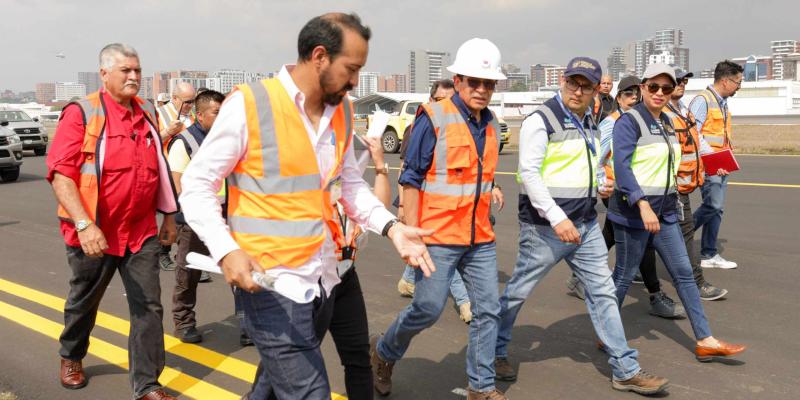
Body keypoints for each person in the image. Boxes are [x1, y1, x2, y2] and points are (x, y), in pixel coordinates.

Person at [179, 13, 434, 400]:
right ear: (319, 56)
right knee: (309, 391)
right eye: (351, 69)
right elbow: (196, 185)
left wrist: (391, 227)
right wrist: (226, 249)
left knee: (268, 387)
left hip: (324, 279)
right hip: (268, 282)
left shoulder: (343, 112)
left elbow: (349, 184)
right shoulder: (251, 104)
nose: (354, 82)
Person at [495, 57, 669, 395]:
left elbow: (587, 164)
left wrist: (600, 184)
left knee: (603, 293)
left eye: (586, 86)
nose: (578, 90)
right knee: (517, 291)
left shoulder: (589, 119)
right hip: (546, 228)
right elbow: (529, 174)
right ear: (562, 80)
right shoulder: (540, 120)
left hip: (586, 224)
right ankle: (494, 350)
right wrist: (557, 219)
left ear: (595, 90)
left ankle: (625, 369)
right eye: (573, 83)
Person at [371, 38, 507, 400]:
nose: (481, 90)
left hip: (479, 237)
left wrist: (491, 188)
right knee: (427, 309)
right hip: (437, 235)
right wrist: (411, 234)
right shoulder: (432, 118)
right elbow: (411, 177)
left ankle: (481, 386)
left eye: (488, 83)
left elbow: (480, 173)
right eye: (474, 81)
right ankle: (383, 352)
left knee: (488, 310)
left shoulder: (492, 124)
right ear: (458, 80)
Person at [47, 43, 179, 400]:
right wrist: (84, 224)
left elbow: (160, 168)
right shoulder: (83, 112)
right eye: (126, 71)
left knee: (148, 307)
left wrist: (169, 215)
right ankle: (71, 355)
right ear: (105, 73)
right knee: (84, 300)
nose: (135, 77)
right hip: (95, 231)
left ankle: (147, 384)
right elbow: (61, 174)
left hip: (140, 231)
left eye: (138, 70)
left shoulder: (148, 110)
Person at [609, 63, 746, 362]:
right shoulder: (628, 122)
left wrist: (710, 167)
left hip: (667, 210)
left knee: (684, 274)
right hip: (634, 213)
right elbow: (622, 166)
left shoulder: (668, 122)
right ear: (643, 87)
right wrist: (641, 203)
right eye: (654, 87)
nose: (660, 93)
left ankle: (705, 339)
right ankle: (607, 333)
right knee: (624, 275)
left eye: (666, 88)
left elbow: (685, 155)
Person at [567, 75, 685, 319]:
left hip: (639, 192)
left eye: (635, 94)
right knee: (638, 244)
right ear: (618, 99)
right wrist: (602, 184)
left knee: (613, 238)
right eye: (627, 94)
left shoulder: (644, 120)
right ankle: (652, 294)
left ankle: (582, 275)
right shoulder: (614, 124)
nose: (633, 98)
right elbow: (598, 157)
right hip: (619, 191)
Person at [395, 78, 477, 324]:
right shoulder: (422, 125)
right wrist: (403, 208)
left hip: (456, 212)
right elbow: (406, 170)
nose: (446, 106)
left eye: (450, 100)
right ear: (431, 100)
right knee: (443, 262)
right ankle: (465, 302)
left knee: (430, 256)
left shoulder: (463, 127)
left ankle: (408, 281)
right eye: (440, 100)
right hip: (425, 210)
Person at [166, 89, 226, 343]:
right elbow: (178, 186)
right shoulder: (184, 142)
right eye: (216, 112)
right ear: (200, 115)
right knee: (188, 274)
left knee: (240, 272)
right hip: (195, 222)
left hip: (228, 217)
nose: (223, 118)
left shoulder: (226, 141)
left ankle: (248, 324)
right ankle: (184, 322)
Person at [667, 68, 728, 300]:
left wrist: (715, 162)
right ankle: (696, 283)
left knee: (643, 240)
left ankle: (633, 278)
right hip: (668, 188)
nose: (681, 84)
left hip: (681, 186)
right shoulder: (660, 113)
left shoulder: (684, 111)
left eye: (684, 81)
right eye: (676, 81)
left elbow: (699, 141)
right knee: (684, 233)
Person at [690, 60, 744, 270]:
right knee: (713, 205)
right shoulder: (703, 100)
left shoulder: (722, 102)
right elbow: (694, 133)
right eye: (737, 82)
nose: (739, 86)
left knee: (717, 209)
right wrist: (713, 158)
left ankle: (708, 254)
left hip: (721, 164)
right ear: (725, 80)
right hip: (709, 164)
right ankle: (679, 234)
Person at [156, 82, 196, 272]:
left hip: (189, 173)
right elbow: (148, 141)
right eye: (187, 102)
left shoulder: (193, 116)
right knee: (172, 213)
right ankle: (162, 253)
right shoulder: (161, 114)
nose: (190, 105)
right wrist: (167, 132)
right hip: (169, 173)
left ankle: (187, 256)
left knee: (187, 214)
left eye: (193, 101)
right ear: (175, 98)